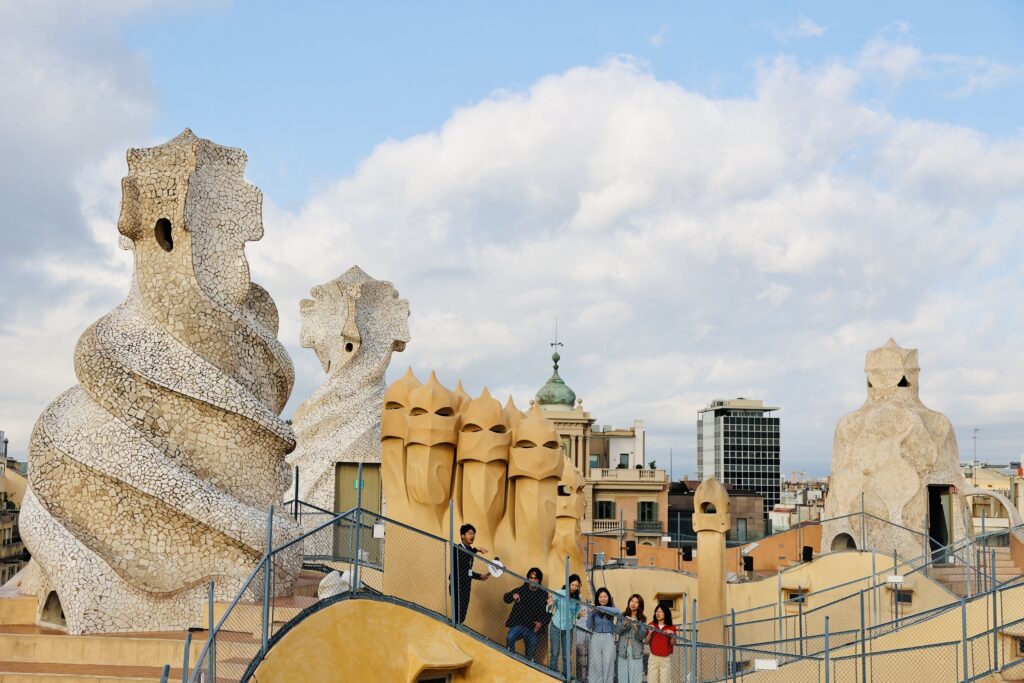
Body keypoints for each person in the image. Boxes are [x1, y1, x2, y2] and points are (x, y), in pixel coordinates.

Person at [504, 567, 549, 660]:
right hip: (519, 625)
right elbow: (505, 598)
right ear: (528, 578)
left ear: (539, 580)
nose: (533, 580)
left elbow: (548, 614)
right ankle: (511, 660)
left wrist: (541, 623)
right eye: (531, 578)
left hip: (533, 629)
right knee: (510, 638)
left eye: (535, 578)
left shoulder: (544, 595)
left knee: (530, 656)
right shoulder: (521, 590)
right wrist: (512, 596)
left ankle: (525, 667)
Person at [450, 523, 490, 625]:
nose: (472, 536)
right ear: (463, 535)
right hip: (457, 585)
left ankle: (458, 627)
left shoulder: (469, 552)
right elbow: (463, 567)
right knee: (458, 613)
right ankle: (455, 626)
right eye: (470, 533)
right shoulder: (457, 548)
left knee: (462, 614)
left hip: (466, 586)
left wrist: (480, 576)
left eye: (474, 534)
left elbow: (468, 570)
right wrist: (476, 549)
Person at [545, 573, 582, 673]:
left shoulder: (578, 598)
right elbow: (549, 608)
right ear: (568, 584)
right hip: (556, 626)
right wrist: (549, 605)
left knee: (567, 656)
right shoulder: (560, 592)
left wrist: (579, 615)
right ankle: (553, 675)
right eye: (573, 585)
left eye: (577, 585)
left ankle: (566, 677)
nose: (574, 587)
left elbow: (577, 613)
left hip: (568, 628)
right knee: (555, 653)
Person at [586, 587, 619, 683]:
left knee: (608, 662)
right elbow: (589, 625)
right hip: (596, 637)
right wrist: (591, 613)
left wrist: (598, 607)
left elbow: (617, 611)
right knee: (596, 663)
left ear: (608, 598)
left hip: (608, 637)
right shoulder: (593, 610)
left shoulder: (611, 608)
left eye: (605, 596)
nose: (603, 598)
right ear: (597, 598)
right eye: (600, 597)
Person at [614, 593, 646, 683]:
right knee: (622, 677)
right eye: (632, 601)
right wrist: (624, 624)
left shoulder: (642, 619)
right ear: (629, 602)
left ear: (640, 605)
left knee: (635, 678)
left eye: (636, 602)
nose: (633, 603)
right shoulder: (622, 615)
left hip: (636, 651)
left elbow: (641, 637)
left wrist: (636, 627)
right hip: (622, 651)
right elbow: (616, 630)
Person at [645, 604, 677, 683]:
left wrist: (672, 634)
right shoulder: (651, 625)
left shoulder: (671, 627)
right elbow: (646, 641)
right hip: (653, 657)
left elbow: (673, 643)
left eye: (661, 612)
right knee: (652, 681)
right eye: (657, 611)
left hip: (665, 659)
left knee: (665, 681)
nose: (658, 613)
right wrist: (650, 633)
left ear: (666, 614)